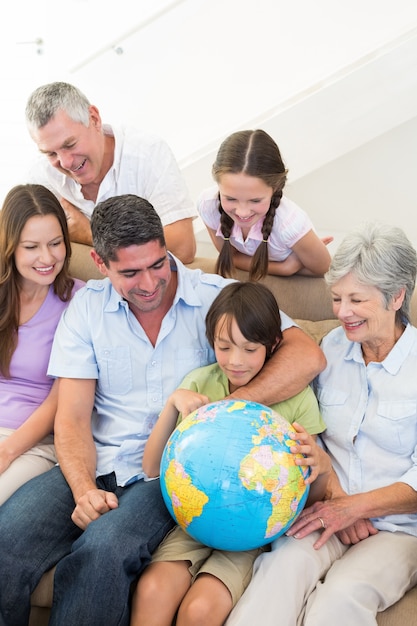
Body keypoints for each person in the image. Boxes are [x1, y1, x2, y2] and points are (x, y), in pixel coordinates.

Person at [0, 194, 325, 626]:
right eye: (130, 273)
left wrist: (223, 411)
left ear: (165, 247)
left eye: (158, 264)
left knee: (102, 552)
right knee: (6, 542)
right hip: (93, 459)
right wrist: (83, 489)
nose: (151, 284)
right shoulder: (87, 310)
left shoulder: (216, 296)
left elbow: (307, 355)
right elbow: (73, 418)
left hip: (166, 473)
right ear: (99, 262)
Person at [226, 222, 417, 626]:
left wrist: (354, 508)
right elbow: (311, 437)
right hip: (328, 511)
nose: (341, 312)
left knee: (340, 598)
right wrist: (336, 501)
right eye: (336, 298)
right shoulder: (330, 349)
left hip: (400, 531)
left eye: (356, 300)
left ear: (396, 296)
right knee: (279, 573)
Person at [131, 281, 331, 626]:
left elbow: (309, 498)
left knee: (200, 610)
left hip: (251, 534)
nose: (235, 361)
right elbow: (152, 467)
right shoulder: (199, 384)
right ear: (211, 342)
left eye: (250, 349)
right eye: (224, 347)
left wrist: (321, 468)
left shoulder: (297, 399)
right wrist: (172, 404)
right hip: (194, 521)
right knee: (152, 590)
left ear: (273, 345)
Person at [25, 81, 197, 263]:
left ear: (94, 119)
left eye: (70, 144)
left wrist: (90, 235)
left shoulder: (148, 154)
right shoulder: (41, 175)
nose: (66, 163)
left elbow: (182, 248)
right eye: (51, 153)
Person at [0, 183, 84, 506]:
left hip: (34, 443)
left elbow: (60, 400)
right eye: (32, 247)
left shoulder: (77, 301)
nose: (47, 257)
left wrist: (7, 451)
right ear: (11, 248)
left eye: (55, 243)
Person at [197, 129, 332, 279]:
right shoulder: (208, 205)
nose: (242, 212)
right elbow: (230, 257)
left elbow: (323, 268)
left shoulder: (290, 224)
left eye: (255, 201)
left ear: (275, 188)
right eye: (230, 199)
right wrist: (284, 268)